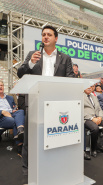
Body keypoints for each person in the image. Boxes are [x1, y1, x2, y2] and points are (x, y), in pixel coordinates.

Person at [17, 25, 74, 183]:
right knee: (30, 139)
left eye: (49, 34)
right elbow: (20, 73)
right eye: (43, 34)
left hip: (55, 105)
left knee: (54, 137)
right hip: (35, 104)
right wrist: (30, 64)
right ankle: (28, 172)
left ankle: (52, 167)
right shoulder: (32, 55)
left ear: (56, 38)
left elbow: (71, 79)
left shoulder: (65, 58)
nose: (45, 37)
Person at [0, 81, 25, 154]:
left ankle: (20, 130)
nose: (0, 87)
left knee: (20, 111)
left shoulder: (9, 97)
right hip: (2, 117)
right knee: (14, 121)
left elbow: (14, 106)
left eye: (2, 85)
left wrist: (15, 109)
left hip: (11, 114)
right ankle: (20, 145)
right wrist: (2, 112)